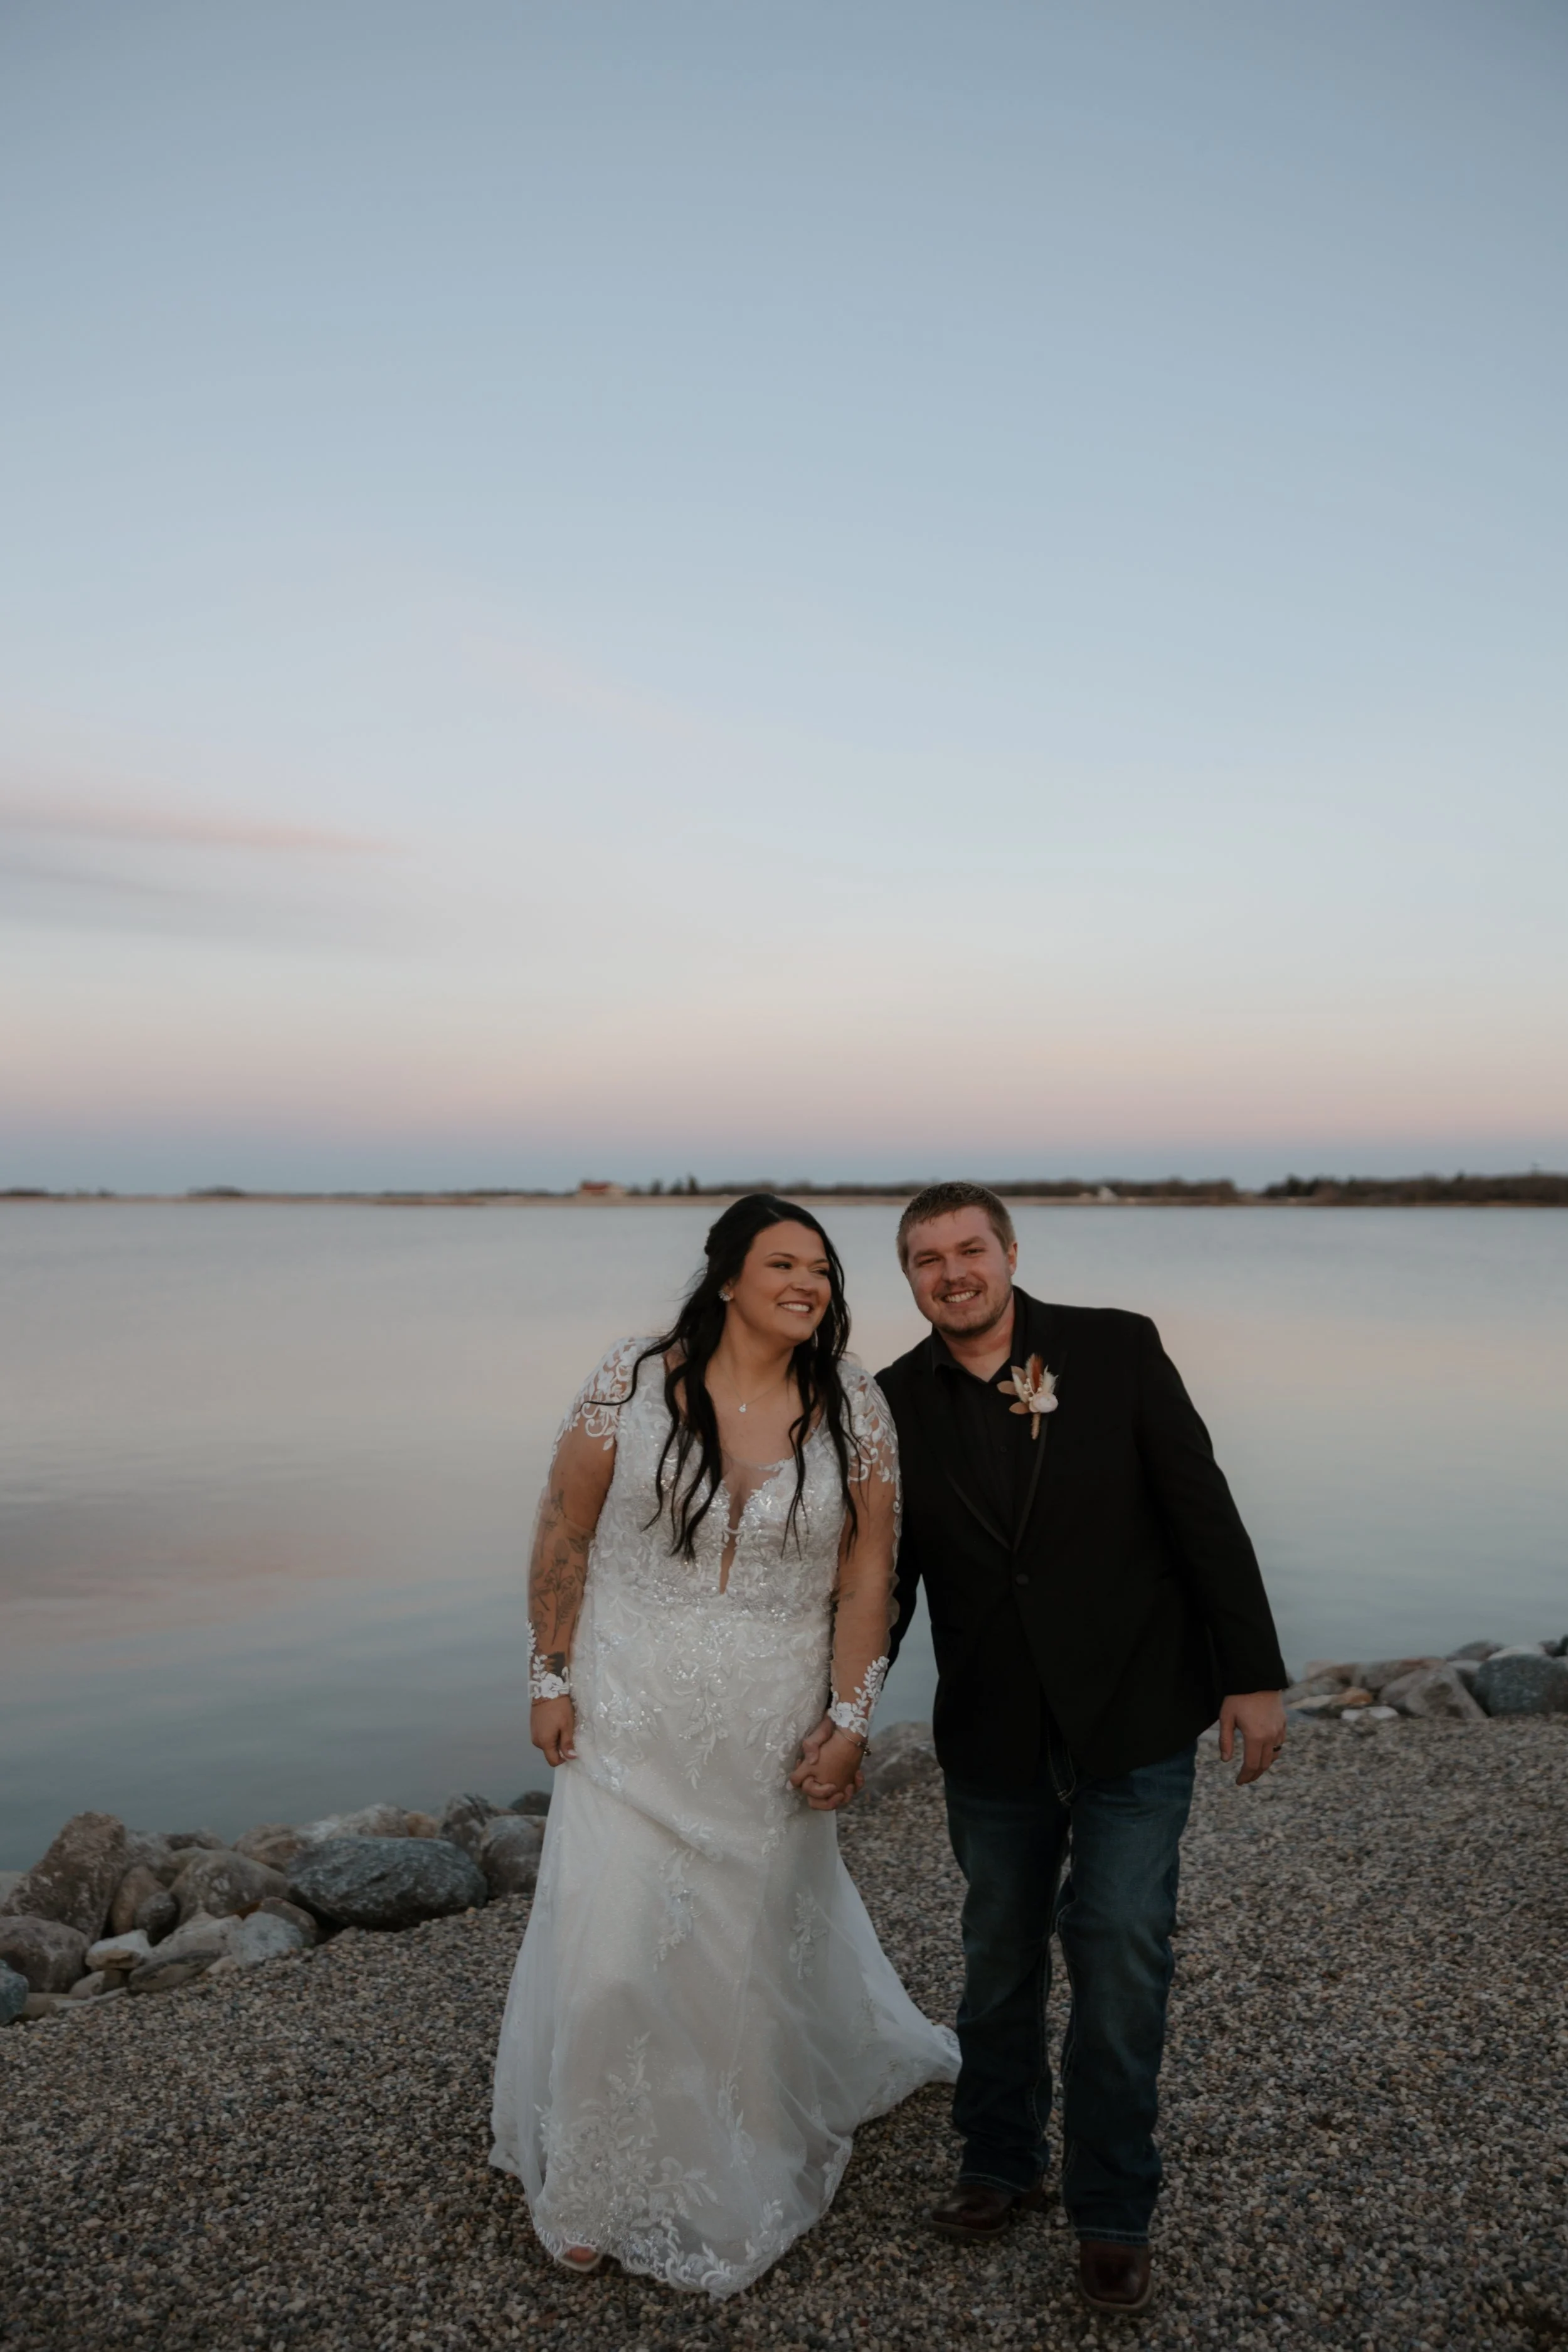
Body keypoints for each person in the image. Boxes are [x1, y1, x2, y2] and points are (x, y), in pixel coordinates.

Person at [489, 1194, 957, 2297]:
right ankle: (595, 2180)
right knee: (610, 1952)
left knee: (735, 1958)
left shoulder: (854, 1405)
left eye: (825, 1270)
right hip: (628, 1716)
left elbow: (867, 1575)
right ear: (729, 1275)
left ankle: (735, 2149)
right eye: (784, 1262)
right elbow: (563, 1524)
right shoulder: (634, 1378)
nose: (810, 1283)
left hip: (766, 1731)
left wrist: (851, 1720)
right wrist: (548, 1673)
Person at [872, 1180, 1288, 2318]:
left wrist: (1251, 1672)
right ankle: (999, 2156)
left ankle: (1113, 2206)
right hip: (994, 1732)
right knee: (998, 1951)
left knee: (1118, 1944)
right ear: (907, 1278)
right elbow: (885, 1580)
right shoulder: (889, 1401)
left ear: (1009, 1251)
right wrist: (841, 1705)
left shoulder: (1113, 1348)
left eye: (969, 1249)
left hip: (1136, 1715)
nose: (951, 1273)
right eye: (926, 1259)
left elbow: (1202, 1506)